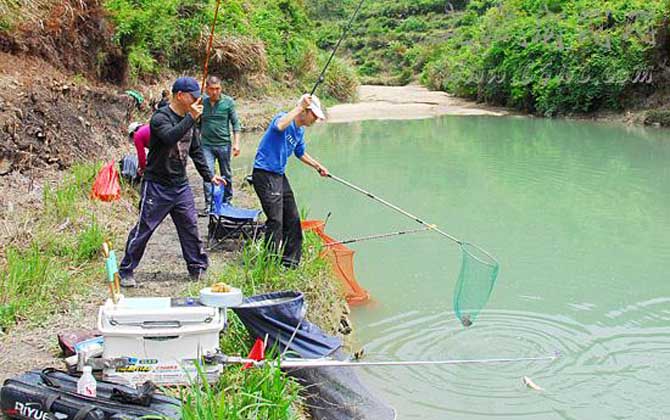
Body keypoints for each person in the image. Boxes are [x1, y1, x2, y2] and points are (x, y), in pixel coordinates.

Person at [118, 77, 226, 287]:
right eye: (193, 97)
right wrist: (191, 118)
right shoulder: (160, 117)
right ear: (180, 95)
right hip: (156, 185)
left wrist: (209, 175)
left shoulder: (189, 118)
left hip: (181, 185)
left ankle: (197, 268)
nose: (196, 102)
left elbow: (195, 150)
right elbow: (169, 137)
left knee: (190, 227)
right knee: (144, 229)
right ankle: (126, 270)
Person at [252, 94, 328, 268]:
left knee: (293, 218)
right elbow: (279, 126)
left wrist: (318, 166)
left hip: (279, 175)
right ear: (305, 111)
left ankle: (290, 262)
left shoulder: (299, 131)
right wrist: (300, 106)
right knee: (276, 220)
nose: (315, 120)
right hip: (264, 174)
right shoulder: (282, 118)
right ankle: (269, 263)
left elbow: (300, 153)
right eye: (314, 115)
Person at [199, 76, 241, 214]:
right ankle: (209, 204)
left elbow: (235, 123)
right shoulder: (201, 102)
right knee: (208, 174)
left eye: (218, 89)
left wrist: (236, 144)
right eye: (212, 89)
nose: (215, 92)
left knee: (226, 174)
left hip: (224, 144)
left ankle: (227, 201)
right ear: (206, 89)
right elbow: (195, 124)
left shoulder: (228, 102)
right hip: (206, 145)